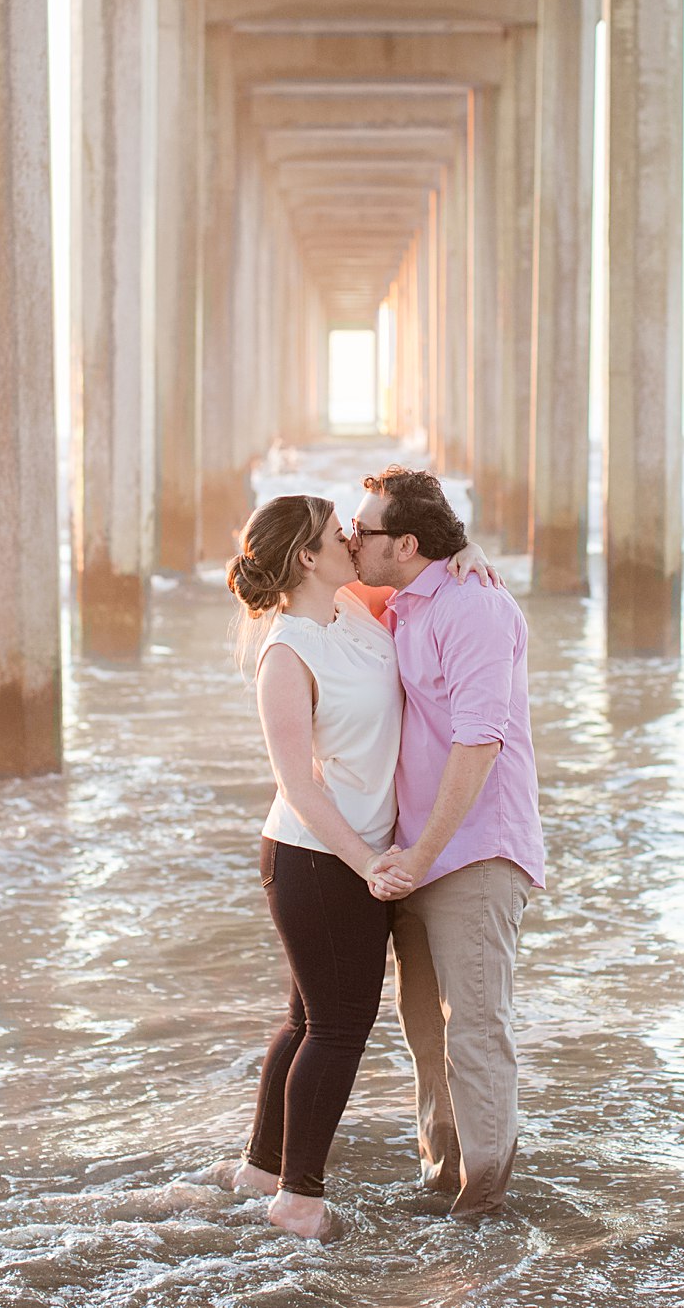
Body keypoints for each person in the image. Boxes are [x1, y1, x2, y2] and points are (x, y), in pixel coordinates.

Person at [219, 492, 495, 1241]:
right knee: (338, 1028)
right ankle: (300, 1202)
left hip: (351, 856)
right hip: (316, 856)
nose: (351, 535)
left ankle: (262, 1169)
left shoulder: (352, 608)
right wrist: (369, 862)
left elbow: (424, 573)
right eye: (333, 531)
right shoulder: (287, 652)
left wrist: (469, 556)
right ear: (307, 558)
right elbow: (298, 785)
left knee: (306, 1017)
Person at [351, 466, 544, 1218]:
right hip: (416, 852)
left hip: (474, 852)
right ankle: (443, 1186)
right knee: (426, 1034)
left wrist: (421, 857)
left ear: (404, 543)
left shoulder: (476, 609)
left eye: (362, 529)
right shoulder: (400, 600)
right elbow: (311, 586)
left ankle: (484, 1207)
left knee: (476, 1030)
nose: (349, 537)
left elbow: (479, 741)